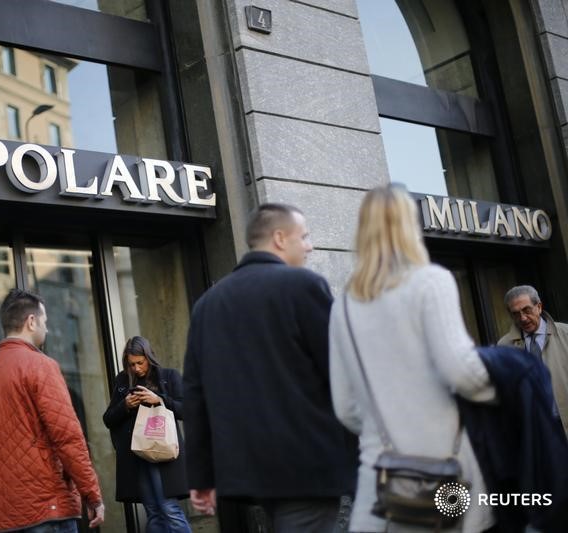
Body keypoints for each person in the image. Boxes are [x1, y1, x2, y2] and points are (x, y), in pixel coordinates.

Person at [328, 184, 496, 532]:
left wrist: (386, 426)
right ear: (409, 226)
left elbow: (345, 407)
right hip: (444, 469)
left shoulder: (344, 304)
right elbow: (462, 373)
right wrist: (502, 390)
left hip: (381, 478)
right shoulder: (431, 282)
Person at [183, 203, 358, 532]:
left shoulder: (208, 304)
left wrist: (203, 476)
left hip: (248, 472)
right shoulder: (303, 286)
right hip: (309, 467)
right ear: (280, 238)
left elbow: (195, 396)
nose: (310, 245)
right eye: (304, 236)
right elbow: (342, 372)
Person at [0, 289, 104, 533]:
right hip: (45, 510)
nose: (47, 329)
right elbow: (68, 438)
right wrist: (92, 494)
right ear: (31, 322)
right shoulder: (42, 366)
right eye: (45, 322)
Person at [103, 336, 191, 533]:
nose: (136, 368)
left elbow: (186, 410)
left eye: (140, 363)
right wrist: (124, 405)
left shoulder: (168, 376)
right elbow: (108, 419)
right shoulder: (122, 380)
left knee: (169, 509)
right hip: (137, 456)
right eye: (131, 364)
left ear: (149, 358)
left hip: (164, 455)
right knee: (152, 511)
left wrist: (158, 399)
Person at [497, 285, 568, 437]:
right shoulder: (504, 347)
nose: (522, 318)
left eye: (527, 310)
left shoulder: (566, 334)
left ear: (539, 307)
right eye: (516, 314)